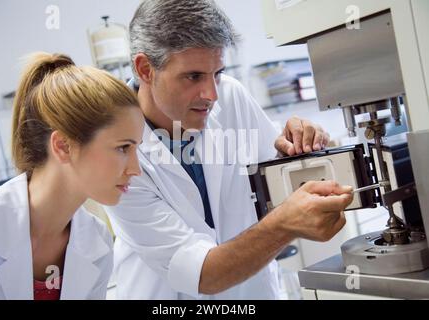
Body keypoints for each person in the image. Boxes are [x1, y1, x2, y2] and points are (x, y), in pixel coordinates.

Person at [105, 0, 353, 299]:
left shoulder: (231, 96)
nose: (211, 94)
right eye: (193, 76)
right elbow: (201, 274)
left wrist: (301, 145)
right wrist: (283, 227)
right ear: (146, 69)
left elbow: (276, 178)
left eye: (218, 73)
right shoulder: (112, 147)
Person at [0, 52, 144, 299]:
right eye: (123, 148)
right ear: (63, 146)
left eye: (136, 149)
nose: (136, 169)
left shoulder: (97, 243)